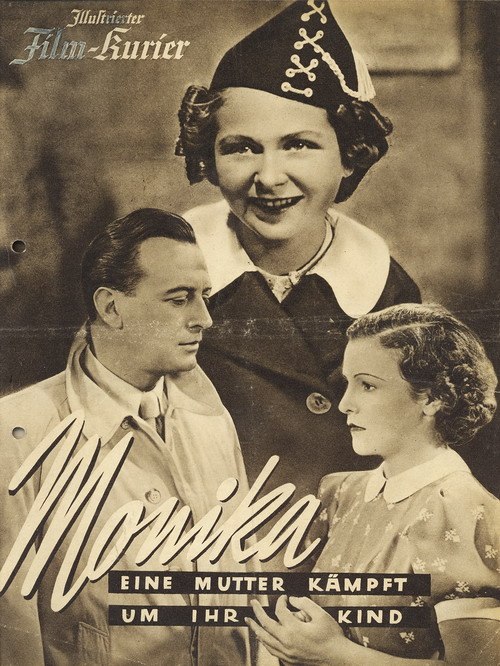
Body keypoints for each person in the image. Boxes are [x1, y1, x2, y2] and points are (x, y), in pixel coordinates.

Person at [176, 0, 421, 498]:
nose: (269, 177)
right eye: (241, 147)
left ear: (349, 156)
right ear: (210, 160)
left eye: (298, 145)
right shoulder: (158, 273)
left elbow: (417, 454)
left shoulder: (389, 294)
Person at [0, 209, 260, 666]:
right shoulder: (17, 433)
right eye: (179, 299)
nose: (204, 319)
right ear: (111, 307)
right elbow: (11, 631)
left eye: (204, 296)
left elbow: (248, 590)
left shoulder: (212, 419)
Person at [246, 303, 500, 664]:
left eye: (367, 385)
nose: (345, 404)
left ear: (433, 398)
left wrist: (334, 654)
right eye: (347, 384)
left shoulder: (459, 507)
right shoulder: (340, 492)